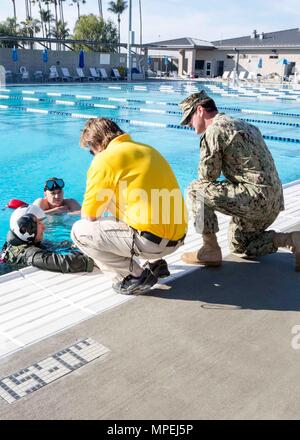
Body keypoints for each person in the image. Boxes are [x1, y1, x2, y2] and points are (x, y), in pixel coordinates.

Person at [179, 91, 300, 271]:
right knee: (240, 245)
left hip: (255, 200)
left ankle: (209, 249)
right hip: (274, 201)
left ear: (200, 110)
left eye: (189, 118)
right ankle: (292, 240)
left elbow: (207, 178)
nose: (188, 124)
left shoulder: (214, 131)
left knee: (195, 189)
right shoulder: (246, 125)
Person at [71, 118, 187, 294]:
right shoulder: (148, 149)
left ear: (96, 143)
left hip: (152, 243)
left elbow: (89, 216)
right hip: (178, 237)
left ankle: (134, 275)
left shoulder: (104, 159)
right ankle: (156, 263)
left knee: (79, 232)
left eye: (91, 151)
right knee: (126, 197)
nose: (92, 155)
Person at [1, 205, 94, 273]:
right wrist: (93, 258)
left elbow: (55, 246)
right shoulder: (30, 254)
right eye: (39, 224)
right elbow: (65, 263)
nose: (44, 228)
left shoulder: (22, 241)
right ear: (27, 230)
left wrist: (76, 244)